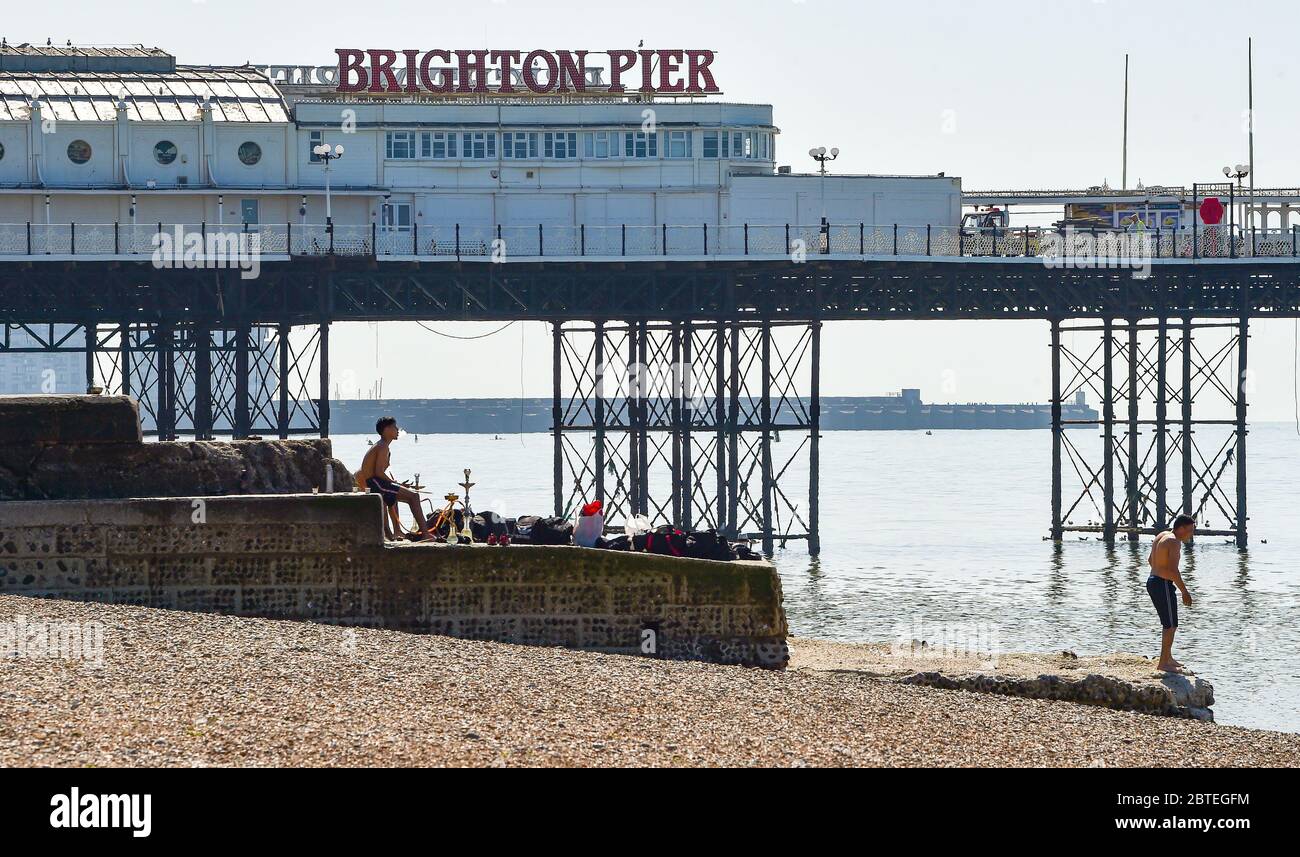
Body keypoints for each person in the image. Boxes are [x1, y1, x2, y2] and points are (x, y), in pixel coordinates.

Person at [356, 417, 431, 540]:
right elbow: (378, 472)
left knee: (402, 496)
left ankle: (396, 532)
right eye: (395, 427)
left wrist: (397, 484)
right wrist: (395, 483)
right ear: (386, 430)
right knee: (414, 496)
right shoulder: (382, 446)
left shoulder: (382, 446)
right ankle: (426, 535)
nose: (397, 430)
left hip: (376, 482)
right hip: (375, 483)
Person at [1146, 514, 1196, 673]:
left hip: (1153, 581)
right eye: (1189, 531)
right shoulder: (1174, 542)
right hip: (1162, 584)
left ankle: (1168, 657)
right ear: (1181, 528)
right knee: (1170, 625)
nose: (1191, 534)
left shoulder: (1162, 535)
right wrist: (1185, 592)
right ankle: (1163, 664)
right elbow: (1174, 571)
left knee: (1171, 623)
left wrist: (1159, 571)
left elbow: (1150, 560)